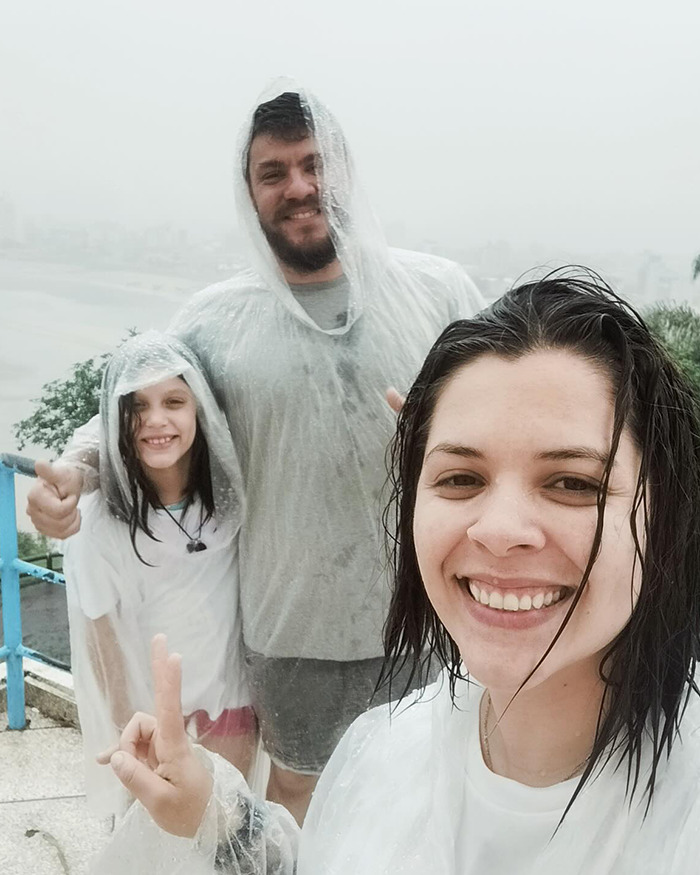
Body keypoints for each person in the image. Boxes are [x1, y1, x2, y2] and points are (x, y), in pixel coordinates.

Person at [91, 270, 700, 874]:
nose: (498, 529)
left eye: (572, 483)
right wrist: (215, 815)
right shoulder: (381, 748)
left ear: (666, 512)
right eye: (461, 478)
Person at [27, 83, 484, 822]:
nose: (299, 187)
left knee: (422, 794)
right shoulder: (219, 319)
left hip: (423, 614)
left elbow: (511, 399)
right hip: (289, 629)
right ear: (250, 195)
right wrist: (72, 477)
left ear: (344, 170)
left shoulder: (437, 291)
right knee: (295, 793)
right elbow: (138, 398)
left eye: (314, 164)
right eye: (274, 173)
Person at [62, 331, 256, 818]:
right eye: (136, 406)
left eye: (174, 401)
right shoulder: (101, 523)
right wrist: (132, 735)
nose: (156, 421)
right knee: (161, 841)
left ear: (200, 410)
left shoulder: (229, 499)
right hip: (151, 722)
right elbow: (102, 644)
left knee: (227, 834)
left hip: (230, 705)